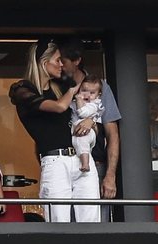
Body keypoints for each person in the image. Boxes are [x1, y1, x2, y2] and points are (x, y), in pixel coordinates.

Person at [9, 39, 101, 222]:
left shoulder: (61, 87)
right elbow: (58, 107)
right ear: (44, 62)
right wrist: (74, 90)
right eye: (58, 60)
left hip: (82, 155)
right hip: (55, 160)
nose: (61, 65)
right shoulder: (22, 89)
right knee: (59, 222)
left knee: (91, 220)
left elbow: (90, 120)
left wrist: (91, 122)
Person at [58, 38, 121, 222]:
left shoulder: (100, 88)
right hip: (63, 165)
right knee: (62, 229)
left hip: (96, 164)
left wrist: (110, 176)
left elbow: (112, 133)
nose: (59, 66)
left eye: (63, 61)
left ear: (76, 61)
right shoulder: (57, 88)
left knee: (93, 229)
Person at [70, 74, 104, 172]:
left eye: (92, 93)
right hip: (75, 131)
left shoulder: (95, 104)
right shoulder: (73, 102)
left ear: (98, 95)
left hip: (88, 132)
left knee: (82, 139)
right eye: (84, 90)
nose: (87, 95)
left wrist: (79, 100)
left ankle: (85, 163)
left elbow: (83, 113)